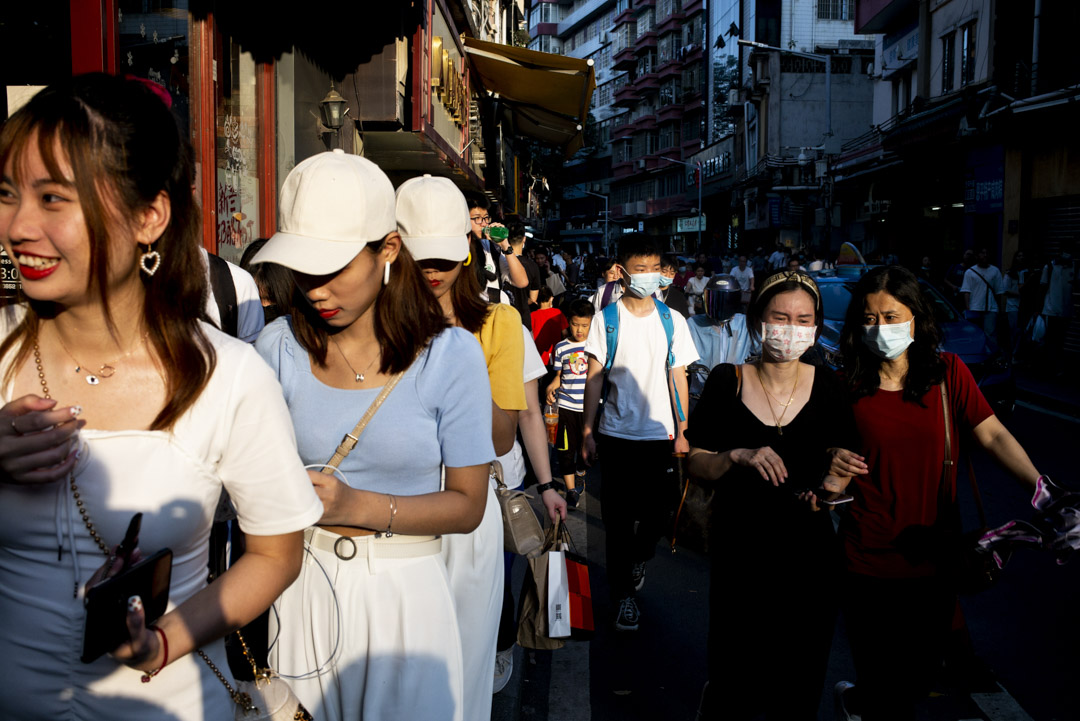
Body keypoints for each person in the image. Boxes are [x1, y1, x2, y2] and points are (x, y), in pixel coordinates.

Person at [0, 73, 323, 720]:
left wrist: (165, 641)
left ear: (150, 216)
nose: (19, 225)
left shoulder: (228, 375)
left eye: (55, 198)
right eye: (8, 194)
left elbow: (275, 553)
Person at [252, 155, 493, 721]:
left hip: (406, 599)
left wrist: (352, 504)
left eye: (333, 266)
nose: (315, 289)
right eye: (301, 268)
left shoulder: (451, 355)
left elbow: (467, 505)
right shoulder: (276, 347)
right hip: (299, 585)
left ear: (387, 249)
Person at [829, 266, 1043, 721]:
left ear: (916, 318)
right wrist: (828, 466)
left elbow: (994, 436)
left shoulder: (949, 374)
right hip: (866, 553)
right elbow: (825, 459)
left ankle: (860, 699)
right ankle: (870, 700)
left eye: (891, 316)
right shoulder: (844, 384)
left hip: (934, 555)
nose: (880, 329)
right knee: (888, 686)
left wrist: (1042, 490)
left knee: (917, 678)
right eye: (869, 319)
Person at [396, 175, 564, 720]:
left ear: (468, 252)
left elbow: (498, 435)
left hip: (470, 510)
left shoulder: (499, 323)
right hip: (389, 514)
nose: (434, 272)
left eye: (446, 256)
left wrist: (455, 352)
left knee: (463, 672)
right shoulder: (374, 325)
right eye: (421, 258)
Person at [687, 269, 856, 720]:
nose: (791, 329)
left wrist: (832, 488)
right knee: (736, 675)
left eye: (804, 320)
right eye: (781, 317)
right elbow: (696, 460)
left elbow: (842, 470)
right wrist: (735, 456)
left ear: (816, 327)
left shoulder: (830, 387)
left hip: (810, 556)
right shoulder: (728, 380)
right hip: (741, 551)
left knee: (799, 680)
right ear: (758, 321)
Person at [581, 234, 699, 632]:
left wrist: (683, 430)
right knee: (617, 520)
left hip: (660, 437)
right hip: (615, 435)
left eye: (654, 268)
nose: (648, 276)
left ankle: (639, 558)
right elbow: (594, 378)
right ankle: (623, 596)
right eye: (640, 269)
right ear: (623, 271)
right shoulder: (606, 319)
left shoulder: (672, 321)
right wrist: (587, 431)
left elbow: (678, 375)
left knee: (656, 515)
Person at [545, 299, 594, 507]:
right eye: (575, 324)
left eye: (584, 325)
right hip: (565, 407)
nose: (580, 330)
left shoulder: (595, 346)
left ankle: (581, 471)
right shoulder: (561, 347)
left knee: (585, 451)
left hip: (589, 409)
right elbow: (558, 375)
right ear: (569, 322)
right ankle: (571, 490)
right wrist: (551, 386)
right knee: (564, 450)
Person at [467, 195, 528, 300]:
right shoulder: (456, 249)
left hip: (492, 313)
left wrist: (505, 245)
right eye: (477, 218)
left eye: (486, 218)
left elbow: (522, 282)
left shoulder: (491, 248)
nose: (484, 223)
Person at [959, 246, 1004, 340]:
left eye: (986, 253)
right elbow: (966, 291)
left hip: (991, 308)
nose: (985, 255)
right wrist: (968, 309)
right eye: (982, 253)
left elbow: (999, 292)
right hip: (974, 308)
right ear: (977, 256)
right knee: (974, 335)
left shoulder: (995, 271)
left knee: (990, 336)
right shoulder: (970, 272)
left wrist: (999, 309)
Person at [503, 223, 541, 330]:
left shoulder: (501, 261)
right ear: (524, 239)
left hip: (503, 317)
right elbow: (533, 298)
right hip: (523, 319)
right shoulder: (532, 266)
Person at [530, 286, 567, 366]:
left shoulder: (532, 315)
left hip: (537, 356)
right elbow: (565, 333)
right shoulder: (557, 313)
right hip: (555, 354)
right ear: (551, 298)